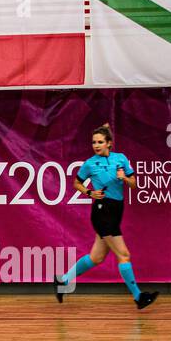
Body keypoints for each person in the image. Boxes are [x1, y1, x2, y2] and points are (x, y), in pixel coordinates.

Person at [54, 123, 158, 310]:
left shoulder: (121, 159)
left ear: (109, 143)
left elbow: (133, 184)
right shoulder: (89, 164)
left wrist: (124, 178)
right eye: (94, 142)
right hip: (102, 212)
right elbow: (76, 183)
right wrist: (89, 192)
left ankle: (64, 280)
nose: (96, 145)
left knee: (96, 258)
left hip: (116, 210)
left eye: (100, 142)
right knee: (124, 255)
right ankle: (138, 297)